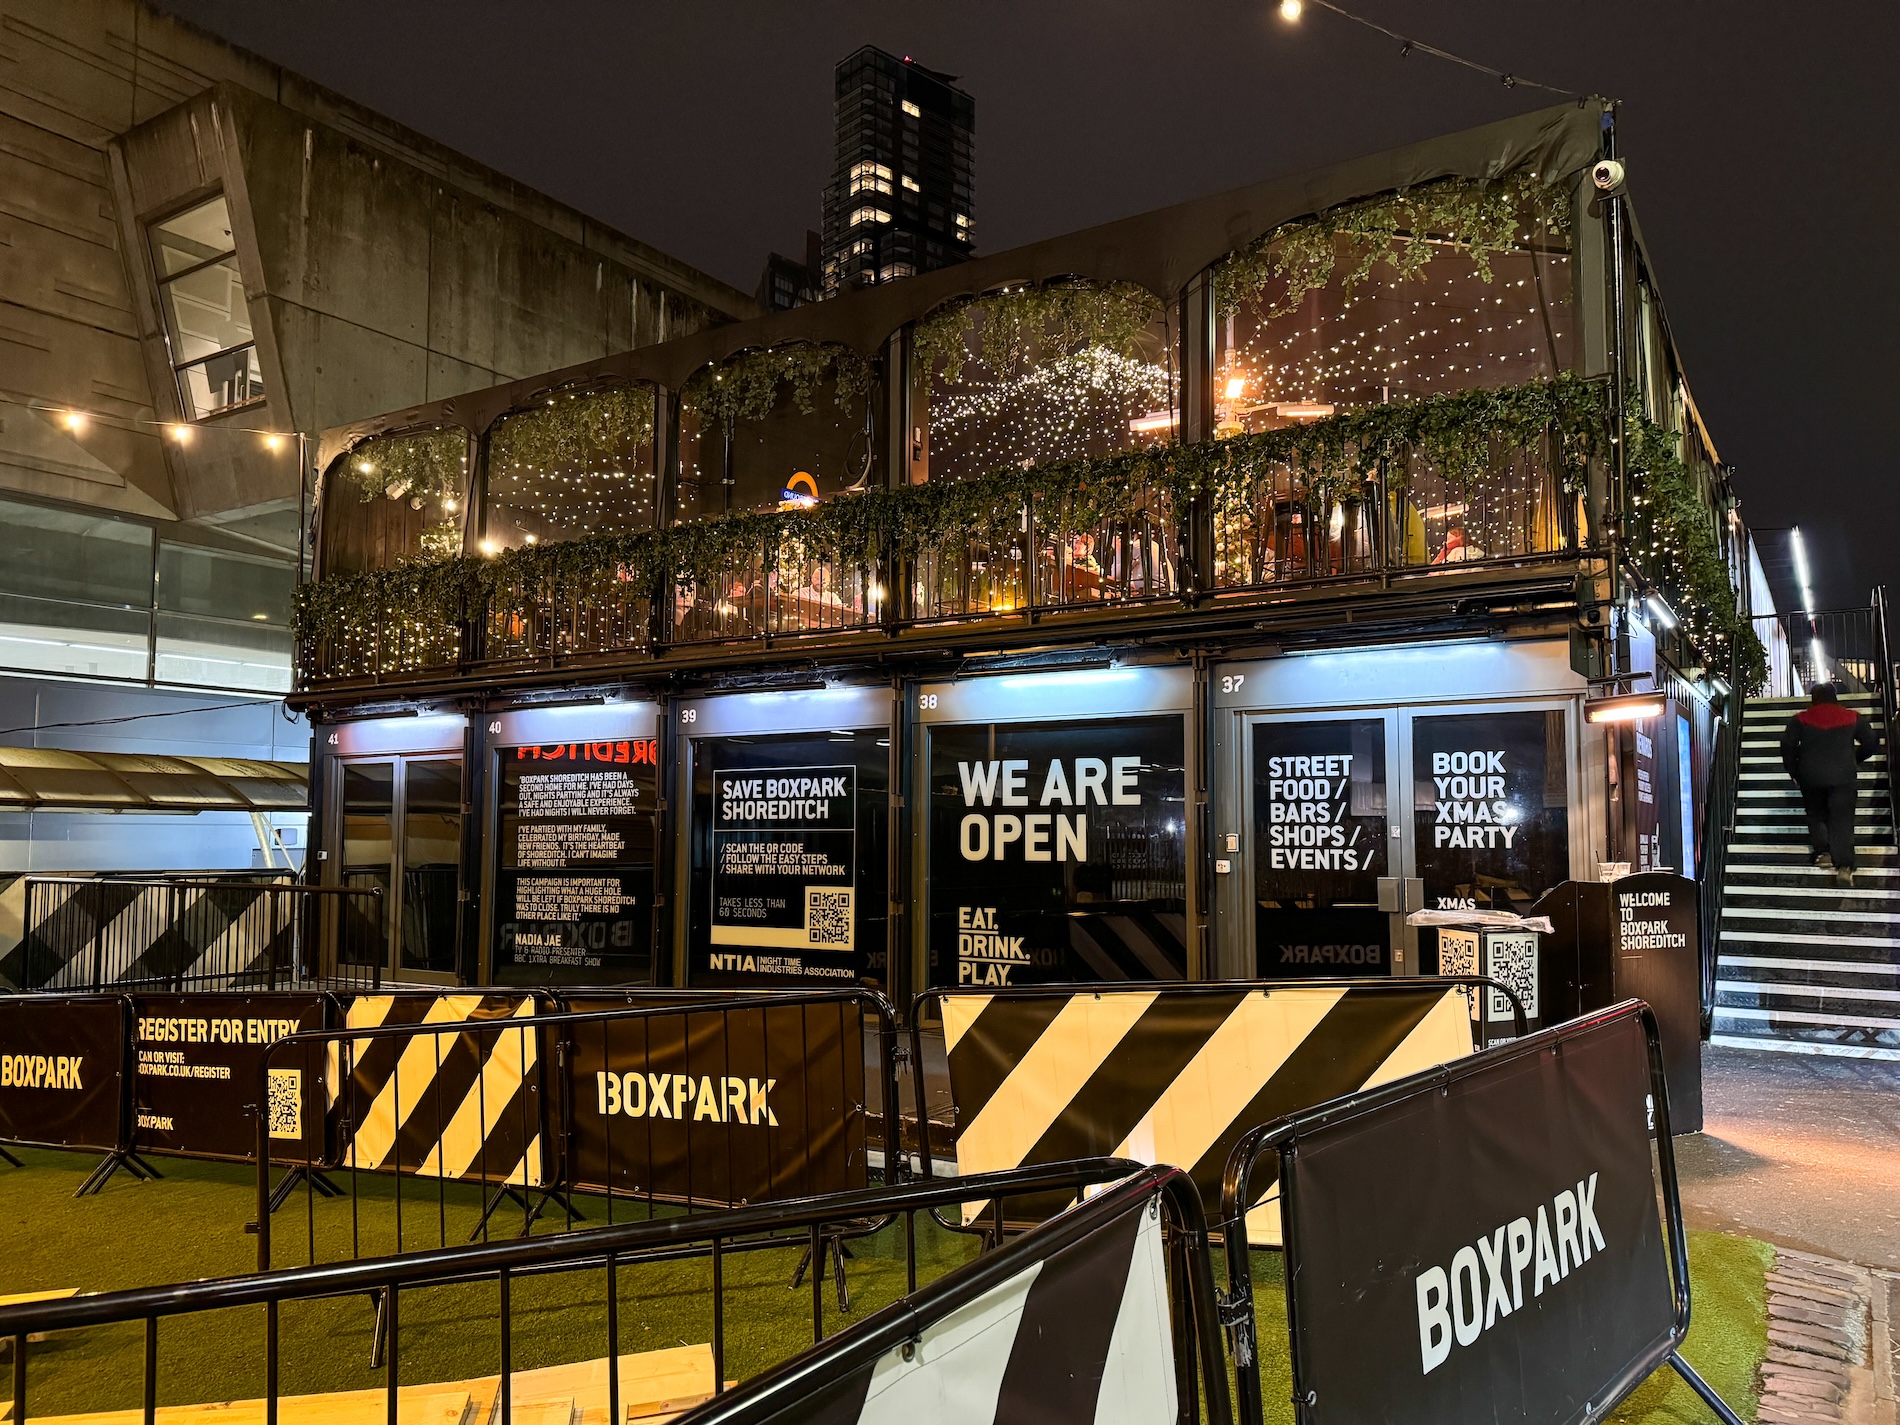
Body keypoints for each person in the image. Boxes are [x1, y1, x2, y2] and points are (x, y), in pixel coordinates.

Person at [1779, 683, 1878, 885]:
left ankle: (1823, 853)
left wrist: (1795, 771)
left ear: (1813, 698)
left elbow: (1787, 746)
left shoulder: (1800, 719)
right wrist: (1855, 758)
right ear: (1835, 697)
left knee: (1816, 814)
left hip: (1811, 777)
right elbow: (1871, 743)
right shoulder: (1852, 717)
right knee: (1842, 819)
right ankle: (1844, 865)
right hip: (1843, 777)